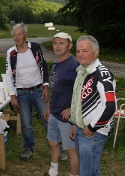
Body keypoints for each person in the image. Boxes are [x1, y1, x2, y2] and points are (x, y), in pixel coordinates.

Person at [69, 35, 116, 176]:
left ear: (96, 53)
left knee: (87, 172)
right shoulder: (82, 71)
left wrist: (92, 127)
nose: (81, 55)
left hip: (93, 132)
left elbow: (110, 106)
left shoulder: (103, 75)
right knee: (91, 170)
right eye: (78, 51)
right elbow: (78, 102)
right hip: (81, 129)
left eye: (85, 51)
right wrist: (74, 124)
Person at [6, 23, 49, 160]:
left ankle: (57, 148)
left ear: (26, 35)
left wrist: (46, 86)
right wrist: (13, 96)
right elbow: (8, 76)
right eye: (14, 35)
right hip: (22, 94)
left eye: (20, 34)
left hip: (38, 90)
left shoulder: (35, 48)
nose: (17, 38)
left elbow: (44, 67)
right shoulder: (11, 53)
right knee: (27, 124)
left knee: (48, 119)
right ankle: (28, 148)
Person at [44, 32, 79, 176]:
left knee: (71, 150)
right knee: (52, 142)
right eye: (55, 43)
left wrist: (72, 109)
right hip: (54, 112)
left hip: (66, 116)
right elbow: (55, 88)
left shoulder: (75, 66)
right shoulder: (57, 64)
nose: (57, 46)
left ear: (70, 46)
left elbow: (83, 91)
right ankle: (53, 171)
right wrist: (48, 107)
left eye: (61, 43)